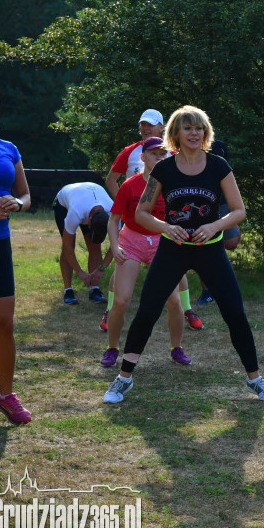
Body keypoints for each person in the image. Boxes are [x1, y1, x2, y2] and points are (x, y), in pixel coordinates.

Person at [103, 106, 264, 404]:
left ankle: (256, 380)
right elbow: (141, 213)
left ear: (205, 133)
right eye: (187, 128)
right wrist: (165, 227)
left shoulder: (218, 165)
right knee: (147, 310)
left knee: (234, 312)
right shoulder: (163, 169)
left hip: (210, 250)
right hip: (173, 249)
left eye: (199, 128)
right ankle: (124, 378)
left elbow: (239, 210)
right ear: (176, 134)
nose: (194, 133)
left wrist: (213, 226)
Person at [102, 108, 202, 331]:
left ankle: (187, 309)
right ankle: (110, 311)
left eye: (150, 125)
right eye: (142, 125)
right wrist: (126, 205)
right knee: (121, 272)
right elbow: (111, 180)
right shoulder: (130, 152)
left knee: (178, 273)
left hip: (163, 227)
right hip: (133, 225)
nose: (146, 129)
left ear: (162, 127)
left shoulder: (173, 153)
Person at [101, 137, 189, 369]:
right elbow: (114, 220)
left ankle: (176, 348)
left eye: (163, 154)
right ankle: (112, 348)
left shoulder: (173, 184)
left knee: (172, 300)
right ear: (143, 157)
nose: (159, 158)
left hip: (162, 241)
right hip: (131, 241)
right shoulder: (130, 185)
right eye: (153, 154)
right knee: (121, 300)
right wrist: (114, 245)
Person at [0, 90, 33, 424]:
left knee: (3, 324)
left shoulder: (9, 149)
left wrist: (17, 204)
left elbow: (26, 195)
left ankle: (5, 394)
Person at [194, 138, 242, 305]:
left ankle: (217, 269)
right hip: (199, 204)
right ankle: (208, 291)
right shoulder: (188, 146)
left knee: (231, 241)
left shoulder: (220, 146)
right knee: (203, 244)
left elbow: (227, 173)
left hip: (221, 202)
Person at [53, 182, 113, 305]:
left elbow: (117, 245)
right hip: (63, 203)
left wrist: (102, 268)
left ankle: (94, 289)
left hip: (88, 200)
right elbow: (67, 247)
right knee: (68, 248)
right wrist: (79, 272)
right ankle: (68, 290)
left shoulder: (113, 212)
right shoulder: (75, 212)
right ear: (89, 221)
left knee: (95, 247)